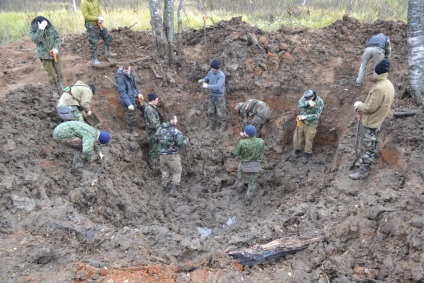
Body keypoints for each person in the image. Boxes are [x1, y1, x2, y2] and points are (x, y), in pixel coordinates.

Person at [349, 59, 394, 180]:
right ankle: (364, 162)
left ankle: (363, 171)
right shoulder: (388, 84)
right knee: (371, 144)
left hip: (371, 122)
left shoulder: (379, 87)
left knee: (367, 146)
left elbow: (369, 108)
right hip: (378, 120)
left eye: (374, 71)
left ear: (378, 72)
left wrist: (358, 106)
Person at [154, 114, 189, 196]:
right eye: (175, 119)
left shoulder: (159, 129)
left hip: (162, 155)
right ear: (171, 120)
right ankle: (174, 190)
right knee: (177, 171)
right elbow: (180, 144)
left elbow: (155, 140)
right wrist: (186, 141)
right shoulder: (175, 131)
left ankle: (165, 187)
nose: (176, 121)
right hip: (172, 155)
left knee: (165, 171)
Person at [30, 16, 64, 98]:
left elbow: (57, 37)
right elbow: (36, 40)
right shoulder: (33, 29)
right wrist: (41, 28)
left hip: (55, 53)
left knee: (60, 72)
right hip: (44, 56)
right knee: (51, 75)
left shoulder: (50, 27)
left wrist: (56, 47)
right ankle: (54, 91)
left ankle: (61, 88)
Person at [232, 125, 264, 198]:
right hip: (256, 165)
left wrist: (241, 137)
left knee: (240, 171)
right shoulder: (261, 141)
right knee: (252, 180)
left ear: (245, 134)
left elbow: (235, 153)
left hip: (245, 165)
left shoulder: (242, 142)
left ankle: (239, 185)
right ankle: (249, 195)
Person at [293, 90, 324, 164]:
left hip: (312, 123)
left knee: (309, 139)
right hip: (301, 122)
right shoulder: (306, 97)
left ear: (312, 97)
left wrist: (305, 117)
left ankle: (307, 153)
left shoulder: (319, 102)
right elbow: (299, 104)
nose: (305, 99)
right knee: (296, 136)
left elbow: (317, 115)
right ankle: (297, 149)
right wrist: (307, 103)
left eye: (307, 99)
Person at [81, 0, 116, 65]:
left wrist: (100, 17)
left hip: (98, 22)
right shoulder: (84, 2)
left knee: (108, 36)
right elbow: (86, 16)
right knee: (93, 42)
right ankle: (94, 59)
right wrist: (96, 18)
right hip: (91, 24)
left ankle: (108, 52)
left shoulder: (95, 1)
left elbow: (99, 9)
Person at [198, 59, 227, 131]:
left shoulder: (221, 75)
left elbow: (218, 86)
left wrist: (207, 86)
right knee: (211, 112)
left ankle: (222, 127)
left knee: (221, 113)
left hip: (219, 96)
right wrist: (203, 80)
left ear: (218, 68)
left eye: (214, 69)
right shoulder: (210, 72)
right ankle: (211, 126)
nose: (213, 70)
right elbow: (206, 78)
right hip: (212, 95)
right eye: (212, 68)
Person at [116, 63, 144, 136]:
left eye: (129, 70)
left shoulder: (131, 74)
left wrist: (139, 93)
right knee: (131, 115)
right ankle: (130, 131)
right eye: (126, 71)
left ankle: (143, 122)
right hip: (129, 99)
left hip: (136, 95)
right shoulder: (120, 78)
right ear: (123, 70)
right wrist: (129, 104)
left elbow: (135, 86)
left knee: (144, 106)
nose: (128, 72)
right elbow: (122, 93)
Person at [144, 93, 161, 170]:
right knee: (154, 150)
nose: (158, 101)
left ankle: (154, 164)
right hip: (153, 134)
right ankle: (153, 167)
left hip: (154, 133)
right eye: (157, 100)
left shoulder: (151, 108)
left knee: (155, 149)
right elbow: (154, 124)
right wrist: (163, 128)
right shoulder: (149, 110)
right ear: (153, 100)